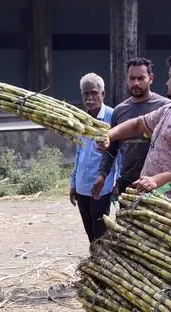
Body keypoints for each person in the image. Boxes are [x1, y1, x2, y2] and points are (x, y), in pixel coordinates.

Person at [98, 49, 171, 211]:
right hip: (154, 195)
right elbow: (138, 124)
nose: (167, 82)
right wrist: (109, 134)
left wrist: (157, 180)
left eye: (170, 76)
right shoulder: (170, 109)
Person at [92, 58, 171, 202]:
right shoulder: (119, 111)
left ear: (151, 78)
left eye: (141, 78)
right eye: (132, 78)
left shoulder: (165, 107)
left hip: (156, 183)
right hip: (128, 183)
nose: (135, 83)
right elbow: (111, 149)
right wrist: (102, 175)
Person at [69, 73, 118, 244]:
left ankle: (101, 264)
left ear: (102, 94)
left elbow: (118, 152)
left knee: (101, 232)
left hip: (102, 186)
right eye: (85, 94)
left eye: (94, 93)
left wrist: (116, 182)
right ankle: (94, 262)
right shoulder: (81, 120)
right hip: (82, 185)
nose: (90, 98)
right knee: (90, 233)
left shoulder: (113, 117)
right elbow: (78, 153)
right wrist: (73, 183)